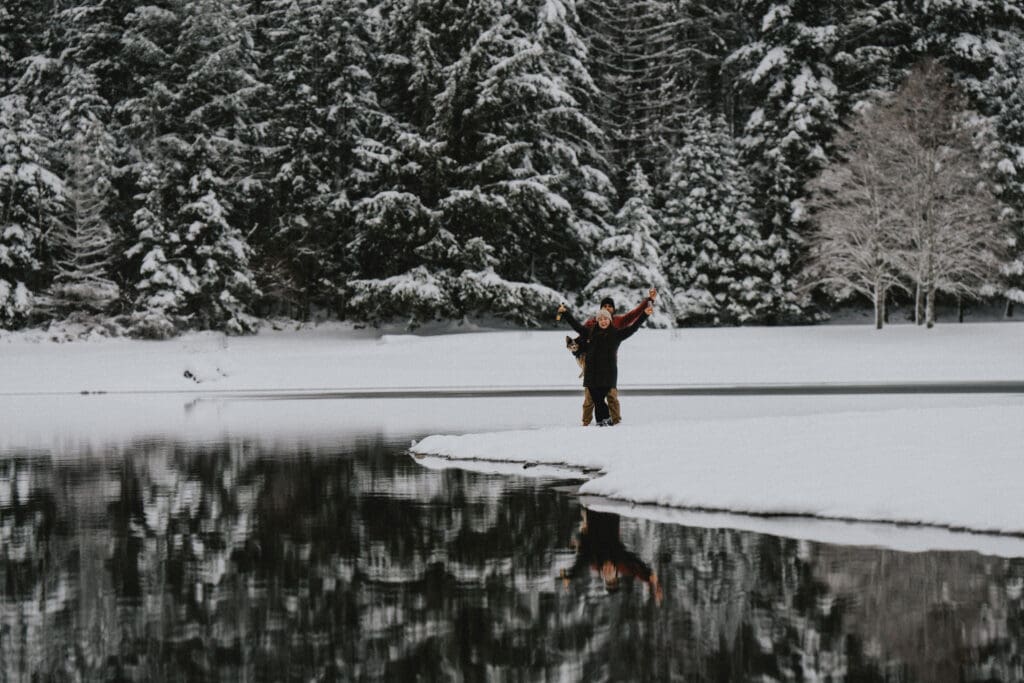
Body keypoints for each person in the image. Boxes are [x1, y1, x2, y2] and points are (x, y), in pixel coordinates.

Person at [558, 297, 652, 427]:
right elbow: (577, 327)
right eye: (600, 319)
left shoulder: (616, 334)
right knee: (594, 398)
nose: (603, 321)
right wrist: (565, 313)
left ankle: (609, 421)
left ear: (610, 320)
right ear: (597, 321)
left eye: (605, 319)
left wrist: (645, 315)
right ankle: (599, 421)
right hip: (591, 372)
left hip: (607, 372)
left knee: (605, 398)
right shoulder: (590, 332)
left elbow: (633, 328)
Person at [559, 508, 662, 603]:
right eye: (610, 572)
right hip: (611, 511)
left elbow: (581, 564)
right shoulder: (619, 558)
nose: (607, 569)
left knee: (584, 542)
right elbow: (634, 566)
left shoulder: (594, 559)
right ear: (615, 571)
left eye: (605, 573)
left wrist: (570, 576)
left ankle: (583, 524)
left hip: (594, 510)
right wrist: (649, 577)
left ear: (602, 574)